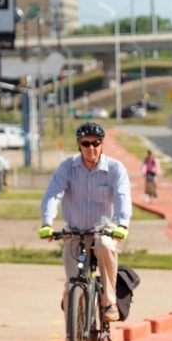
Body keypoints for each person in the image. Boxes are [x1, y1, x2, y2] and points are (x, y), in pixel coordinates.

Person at [39, 122, 131, 329]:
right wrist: (47, 222)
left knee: (105, 246)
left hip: (103, 230)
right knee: (70, 289)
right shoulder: (67, 167)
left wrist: (122, 224)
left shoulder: (115, 168)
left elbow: (122, 196)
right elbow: (54, 193)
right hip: (75, 232)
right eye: (86, 143)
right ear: (79, 144)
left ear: (102, 144)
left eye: (96, 143)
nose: (91, 148)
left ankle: (110, 303)